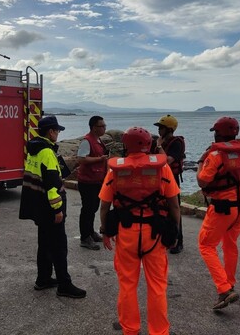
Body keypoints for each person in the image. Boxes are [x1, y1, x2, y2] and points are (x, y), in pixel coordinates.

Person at [99, 127, 180, 335]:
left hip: (126, 234)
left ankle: (130, 330)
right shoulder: (162, 169)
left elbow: (104, 206)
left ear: (126, 144)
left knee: (127, 285)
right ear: (149, 145)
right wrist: (174, 233)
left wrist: (106, 232)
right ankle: (159, 331)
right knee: (157, 287)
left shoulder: (115, 170)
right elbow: (174, 206)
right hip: (155, 234)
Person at [19, 115, 86, 299]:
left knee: (45, 243)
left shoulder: (35, 149)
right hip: (49, 207)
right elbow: (52, 185)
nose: (58, 134)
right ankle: (64, 284)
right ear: (51, 132)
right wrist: (57, 210)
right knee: (58, 246)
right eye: (57, 131)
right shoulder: (47, 152)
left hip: (39, 206)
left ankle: (43, 279)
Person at [196, 117, 240, 310]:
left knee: (206, 245)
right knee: (230, 245)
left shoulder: (216, 155)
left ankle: (224, 290)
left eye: (215, 131)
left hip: (222, 207)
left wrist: (200, 163)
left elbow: (202, 182)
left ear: (219, 133)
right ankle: (229, 282)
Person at [153, 115, 186, 254]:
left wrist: (159, 146)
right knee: (159, 208)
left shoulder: (176, 143)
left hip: (172, 179)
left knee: (174, 209)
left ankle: (178, 240)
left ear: (169, 129)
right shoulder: (160, 142)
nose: (159, 130)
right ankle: (163, 236)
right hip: (159, 179)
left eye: (161, 128)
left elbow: (167, 161)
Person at [77, 115, 109, 251]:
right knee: (87, 209)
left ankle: (90, 232)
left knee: (93, 208)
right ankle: (85, 237)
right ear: (94, 128)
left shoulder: (98, 140)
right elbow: (81, 159)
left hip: (96, 180)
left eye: (104, 126)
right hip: (87, 181)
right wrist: (99, 159)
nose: (104, 128)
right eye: (101, 126)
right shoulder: (87, 141)